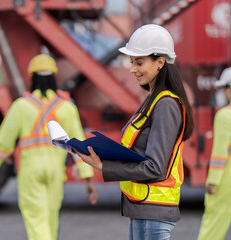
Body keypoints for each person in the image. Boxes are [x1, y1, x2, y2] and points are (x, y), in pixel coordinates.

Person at [74, 24, 194, 240]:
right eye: (131, 62)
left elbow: (155, 167)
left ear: (160, 62)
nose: (132, 69)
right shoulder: (153, 100)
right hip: (142, 207)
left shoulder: (165, 105)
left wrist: (105, 167)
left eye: (139, 62)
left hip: (155, 210)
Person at [0, 53, 98, 240]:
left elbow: (4, 139)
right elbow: (79, 144)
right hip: (56, 171)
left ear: (32, 78)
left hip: (30, 172)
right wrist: (88, 178)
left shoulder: (21, 106)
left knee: (36, 219)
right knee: (50, 217)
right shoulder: (66, 107)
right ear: (54, 77)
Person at [197, 67, 231, 240]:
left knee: (213, 224)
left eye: (224, 88)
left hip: (226, 181)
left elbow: (220, 152)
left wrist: (212, 181)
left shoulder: (225, 115)